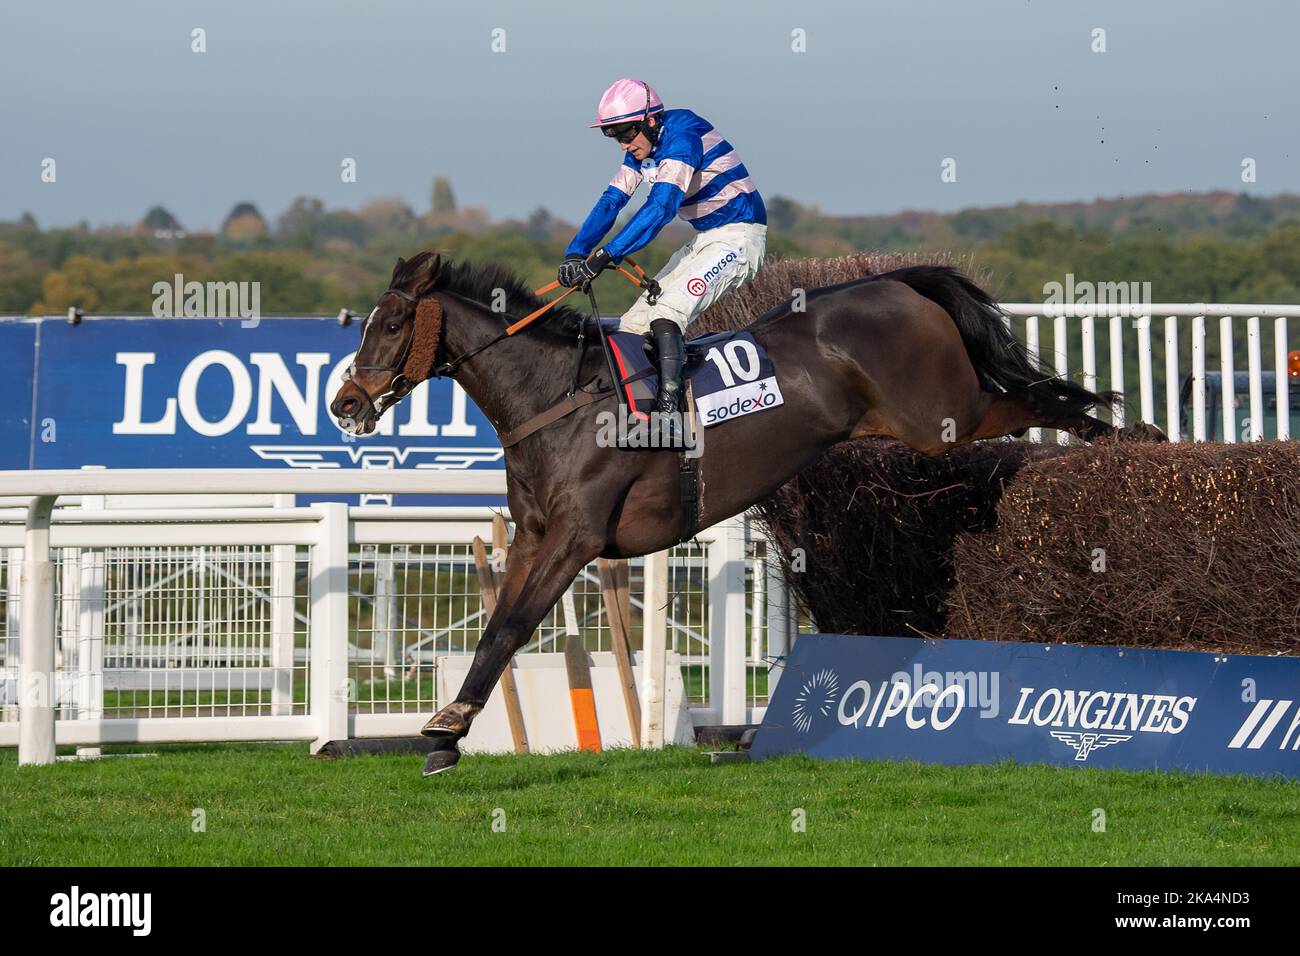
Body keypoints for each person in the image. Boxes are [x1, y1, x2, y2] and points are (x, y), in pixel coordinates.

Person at [558, 78, 767, 438]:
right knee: (632, 325)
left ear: (651, 120)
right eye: (615, 137)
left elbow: (661, 208)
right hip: (705, 239)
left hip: (740, 238)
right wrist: (576, 251)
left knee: (668, 312)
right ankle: (638, 411)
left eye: (626, 133)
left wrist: (607, 255)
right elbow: (612, 202)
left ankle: (670, 419)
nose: (624, 144)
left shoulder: (682, 136)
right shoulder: (643, 146)